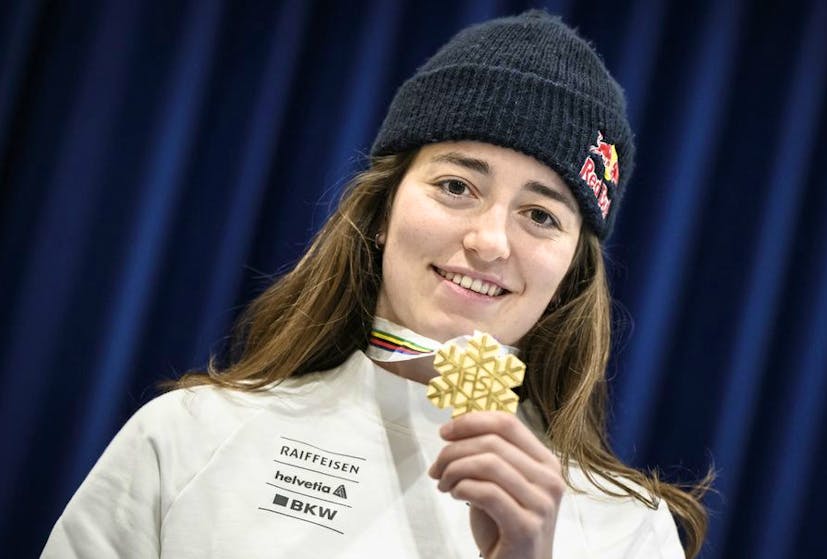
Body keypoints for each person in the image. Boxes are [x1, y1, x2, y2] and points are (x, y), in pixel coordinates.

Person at [43, 10, 708, 558]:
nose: (489, 241)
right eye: (456, 185)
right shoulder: (186, 437)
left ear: (568, 273)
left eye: (539, 215)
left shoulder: (627, 531)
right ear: (383, 213)